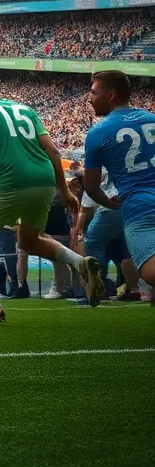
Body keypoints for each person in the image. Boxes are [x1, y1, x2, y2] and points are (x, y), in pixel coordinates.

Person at [0, 70, 102, 325]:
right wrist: (64, 191)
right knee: (30, 241)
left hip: (14, 180)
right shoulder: (26, 109)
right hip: (45, 180)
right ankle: (80, 263)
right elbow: (54, 151)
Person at [81, 70, 155, 305]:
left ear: (110, 95)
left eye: (94, 92)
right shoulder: (152, 118)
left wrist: (106, 202)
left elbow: (91, 187)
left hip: (139, 208)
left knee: (150, 273)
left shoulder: (97, 133)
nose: (90, 98)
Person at [72, 174, 141, 303]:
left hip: (110, 208)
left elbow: (85, 209)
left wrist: (77, 231)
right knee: (125, 253)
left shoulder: (92, 179)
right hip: (128, 205)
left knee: (92, 243)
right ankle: (134, 290)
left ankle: (96, 290)